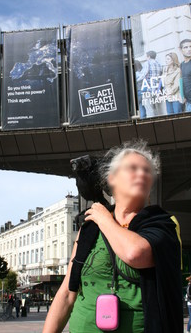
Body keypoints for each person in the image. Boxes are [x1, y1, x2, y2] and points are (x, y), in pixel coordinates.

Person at [43, 140, 183, 333]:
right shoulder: (90, 228)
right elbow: (67, 292)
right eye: (133, 168)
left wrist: (105, 220)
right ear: (112, 178)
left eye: (147, 171)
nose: (142, 174)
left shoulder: (162, 223)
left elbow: (135, 254)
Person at [139, 51, 163, 118]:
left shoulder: (147, 63)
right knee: (157, 109)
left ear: (148, 56)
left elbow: (143, 75)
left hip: (148, 89)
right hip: (157, 89)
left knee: (149, 110)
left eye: (146, 56)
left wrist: (136, 80)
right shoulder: (159, 64)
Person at [180, 39, 191, 112]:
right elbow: (182, 81)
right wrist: (182, 96)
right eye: (186, 47)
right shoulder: (182, 64)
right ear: (181, 50)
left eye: (190, 46)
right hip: (188, 102)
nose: (189, 49)